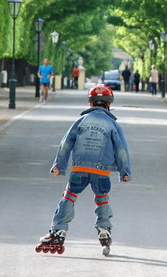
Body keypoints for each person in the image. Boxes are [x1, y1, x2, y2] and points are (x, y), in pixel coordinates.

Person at [36, 84, 131, 256]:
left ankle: (58, 231)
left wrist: (59, 165)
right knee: (102, 198)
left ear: (90, 104)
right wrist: (125, 172)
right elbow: (122, 149)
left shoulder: (80, 121)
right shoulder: (113, 124)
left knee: (69, 196)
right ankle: (104, 230)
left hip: (79, 168)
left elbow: (66, 144)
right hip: (102, 172)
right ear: (109, 104)